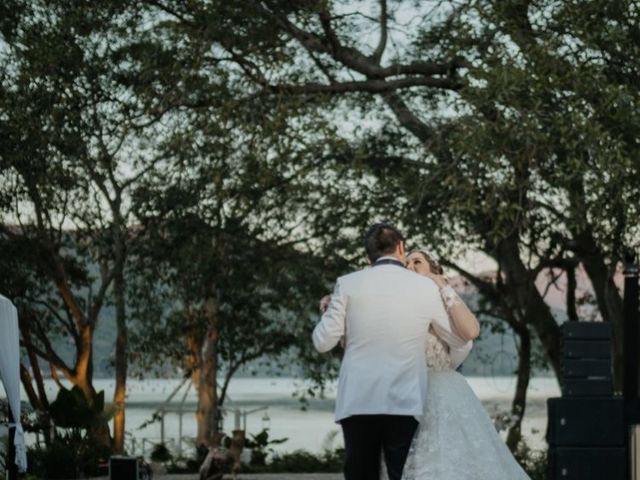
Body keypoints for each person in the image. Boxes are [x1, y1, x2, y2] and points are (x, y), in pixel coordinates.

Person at [312, 224, 473, 480]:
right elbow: (456, 337)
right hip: (405, 400)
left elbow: (323, 342)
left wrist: (330, 314)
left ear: (368, 256)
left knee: (360, 474)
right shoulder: (424, 287)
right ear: (400, 247)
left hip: (358, 400)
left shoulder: (348, 284)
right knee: (403, 474)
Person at [382, 248, 531, 480]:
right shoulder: (397, 306)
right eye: (406, 263)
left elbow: (469, 333)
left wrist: (443, 286)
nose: (409, 266)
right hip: (405, 392)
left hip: (439, 391)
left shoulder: (436, 301)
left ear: (434, 271)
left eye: (417, 262)